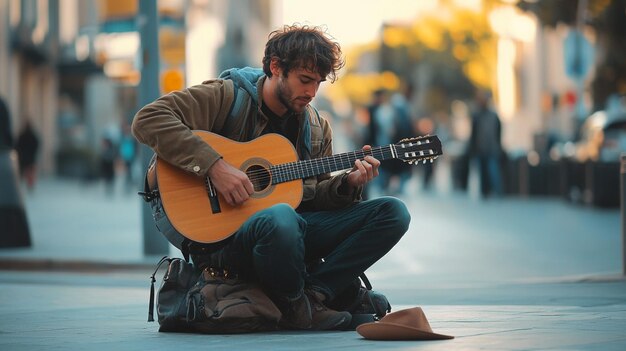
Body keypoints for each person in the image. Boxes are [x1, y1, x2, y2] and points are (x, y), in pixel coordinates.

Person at [132, 24, 410, 331]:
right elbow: (148, 119)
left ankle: (313, 296)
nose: (311, 92)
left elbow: (310, 197)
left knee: (393, 213)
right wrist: (215, 167)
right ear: (276, 67)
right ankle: (295, 304)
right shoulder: (226, 98)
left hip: (288, 237)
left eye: (318, 83)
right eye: (305, 80)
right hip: (223, 241)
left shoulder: (317, 128)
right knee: (280, 217)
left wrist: (347, 185)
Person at [467, 89, 503, 198]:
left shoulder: (493, 115)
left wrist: (498, 145)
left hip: (491, 148)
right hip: (480, 148)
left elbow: (498, 131)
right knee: (482, 171)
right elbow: (474, 133)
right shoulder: (476, 116)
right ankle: (485, 191)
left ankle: (496, 190)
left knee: (492, 170)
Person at [15, 119, 40, 191]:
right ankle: (30, 185)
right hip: (30, 158)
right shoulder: (33, 136)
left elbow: (17, 146)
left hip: (23, 158)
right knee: (30, 174)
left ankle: (20, 185)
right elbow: (36, 146)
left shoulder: (22, 135)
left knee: (22, 173)